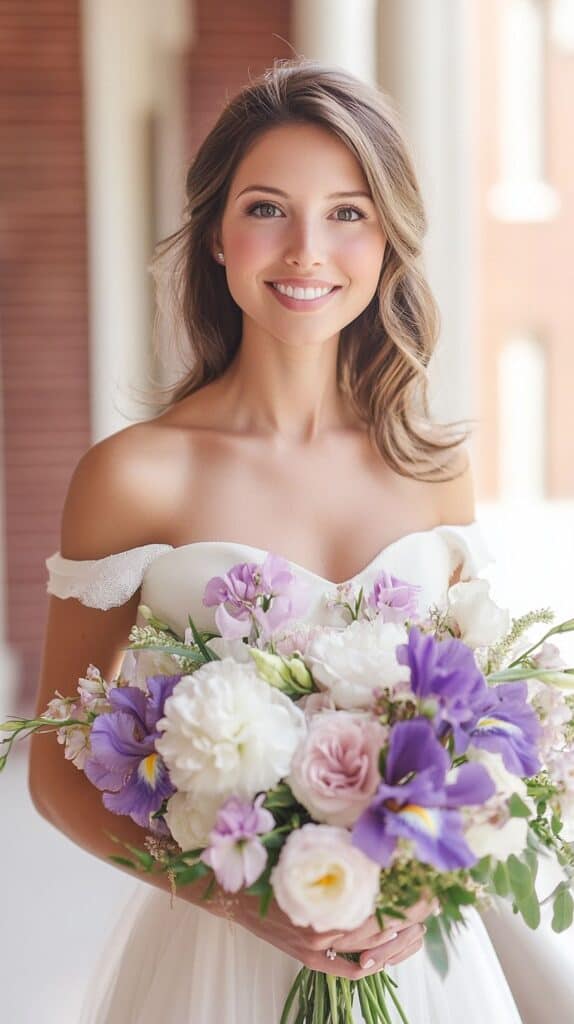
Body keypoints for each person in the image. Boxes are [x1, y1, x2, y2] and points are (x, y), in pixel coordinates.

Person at [29, 59, 524, 1022]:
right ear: (217, 234)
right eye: (267, 209)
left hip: (418, 972)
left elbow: (475, 741)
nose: (306, 250)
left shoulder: (434, 471)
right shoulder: (135, 476)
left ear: (388, 241)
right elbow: (56, 773)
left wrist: (428, 882)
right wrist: (243, 904)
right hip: (216, 962)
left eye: (347, 213)